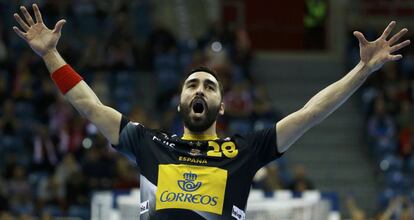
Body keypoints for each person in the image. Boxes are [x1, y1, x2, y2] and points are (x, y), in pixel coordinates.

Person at [13, 4, 410, 220]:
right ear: (181, 100)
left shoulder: (244, 150)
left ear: (220, 105)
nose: (200, 89)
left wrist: (362, 70)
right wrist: (50, 54)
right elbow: (88, 104)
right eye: (192, 84)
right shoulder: (148, 143)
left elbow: (310, 113)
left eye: (210, 85)